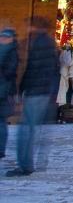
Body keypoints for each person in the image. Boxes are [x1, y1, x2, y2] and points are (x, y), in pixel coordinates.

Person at [8, 17, 58, 177]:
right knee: (30, 128)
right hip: (42, 91)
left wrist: (22, 89)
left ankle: (25, 165)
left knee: (26, 129)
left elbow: (33, 68)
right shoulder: (48, 42)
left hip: (36, 91)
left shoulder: (39, 43)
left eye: (29, 25)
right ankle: (27, 164)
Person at [0, 28, 18, 161]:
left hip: (4, 93)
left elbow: (9, 73)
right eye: (2, 37)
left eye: (6, 37)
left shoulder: (11, 53)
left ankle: (0, 150)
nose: (3, 39)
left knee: (1, 122)